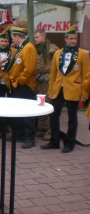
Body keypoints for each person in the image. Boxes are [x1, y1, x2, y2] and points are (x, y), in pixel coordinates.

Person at [41, 25, 89, 153]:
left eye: (75, 38)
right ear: (66, 39)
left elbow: (86, 75)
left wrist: (84, 94)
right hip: (58, 88)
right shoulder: (57, 53)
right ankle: (54, 141)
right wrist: (50, 91)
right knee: (53, 115)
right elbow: (53, 74)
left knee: (72, 118)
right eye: (71, 38)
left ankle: (69, 143)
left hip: (74, 89)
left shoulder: (83, 54)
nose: (73, 41)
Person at [6, 26, 37, 148]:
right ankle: (20, 134)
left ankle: (30, 138)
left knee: (27, 112)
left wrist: (20, 81)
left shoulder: (28, 48)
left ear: (18, 37)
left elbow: (29, 69)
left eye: (13, 37)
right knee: (19, 111)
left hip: (23, 85)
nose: (12, 40)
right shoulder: (22, 47)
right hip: (16, 84)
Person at [34, 29, 58, 141]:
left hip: (48, 81)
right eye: (34, 37)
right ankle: (42, 128)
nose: (35, 39)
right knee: (40, 104)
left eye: (37, 37)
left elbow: (57, 64)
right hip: (38, 81)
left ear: (43, 37)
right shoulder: (35, 49)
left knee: (48, 104)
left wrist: (49, 75)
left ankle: (49, 130)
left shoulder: (51, 48)